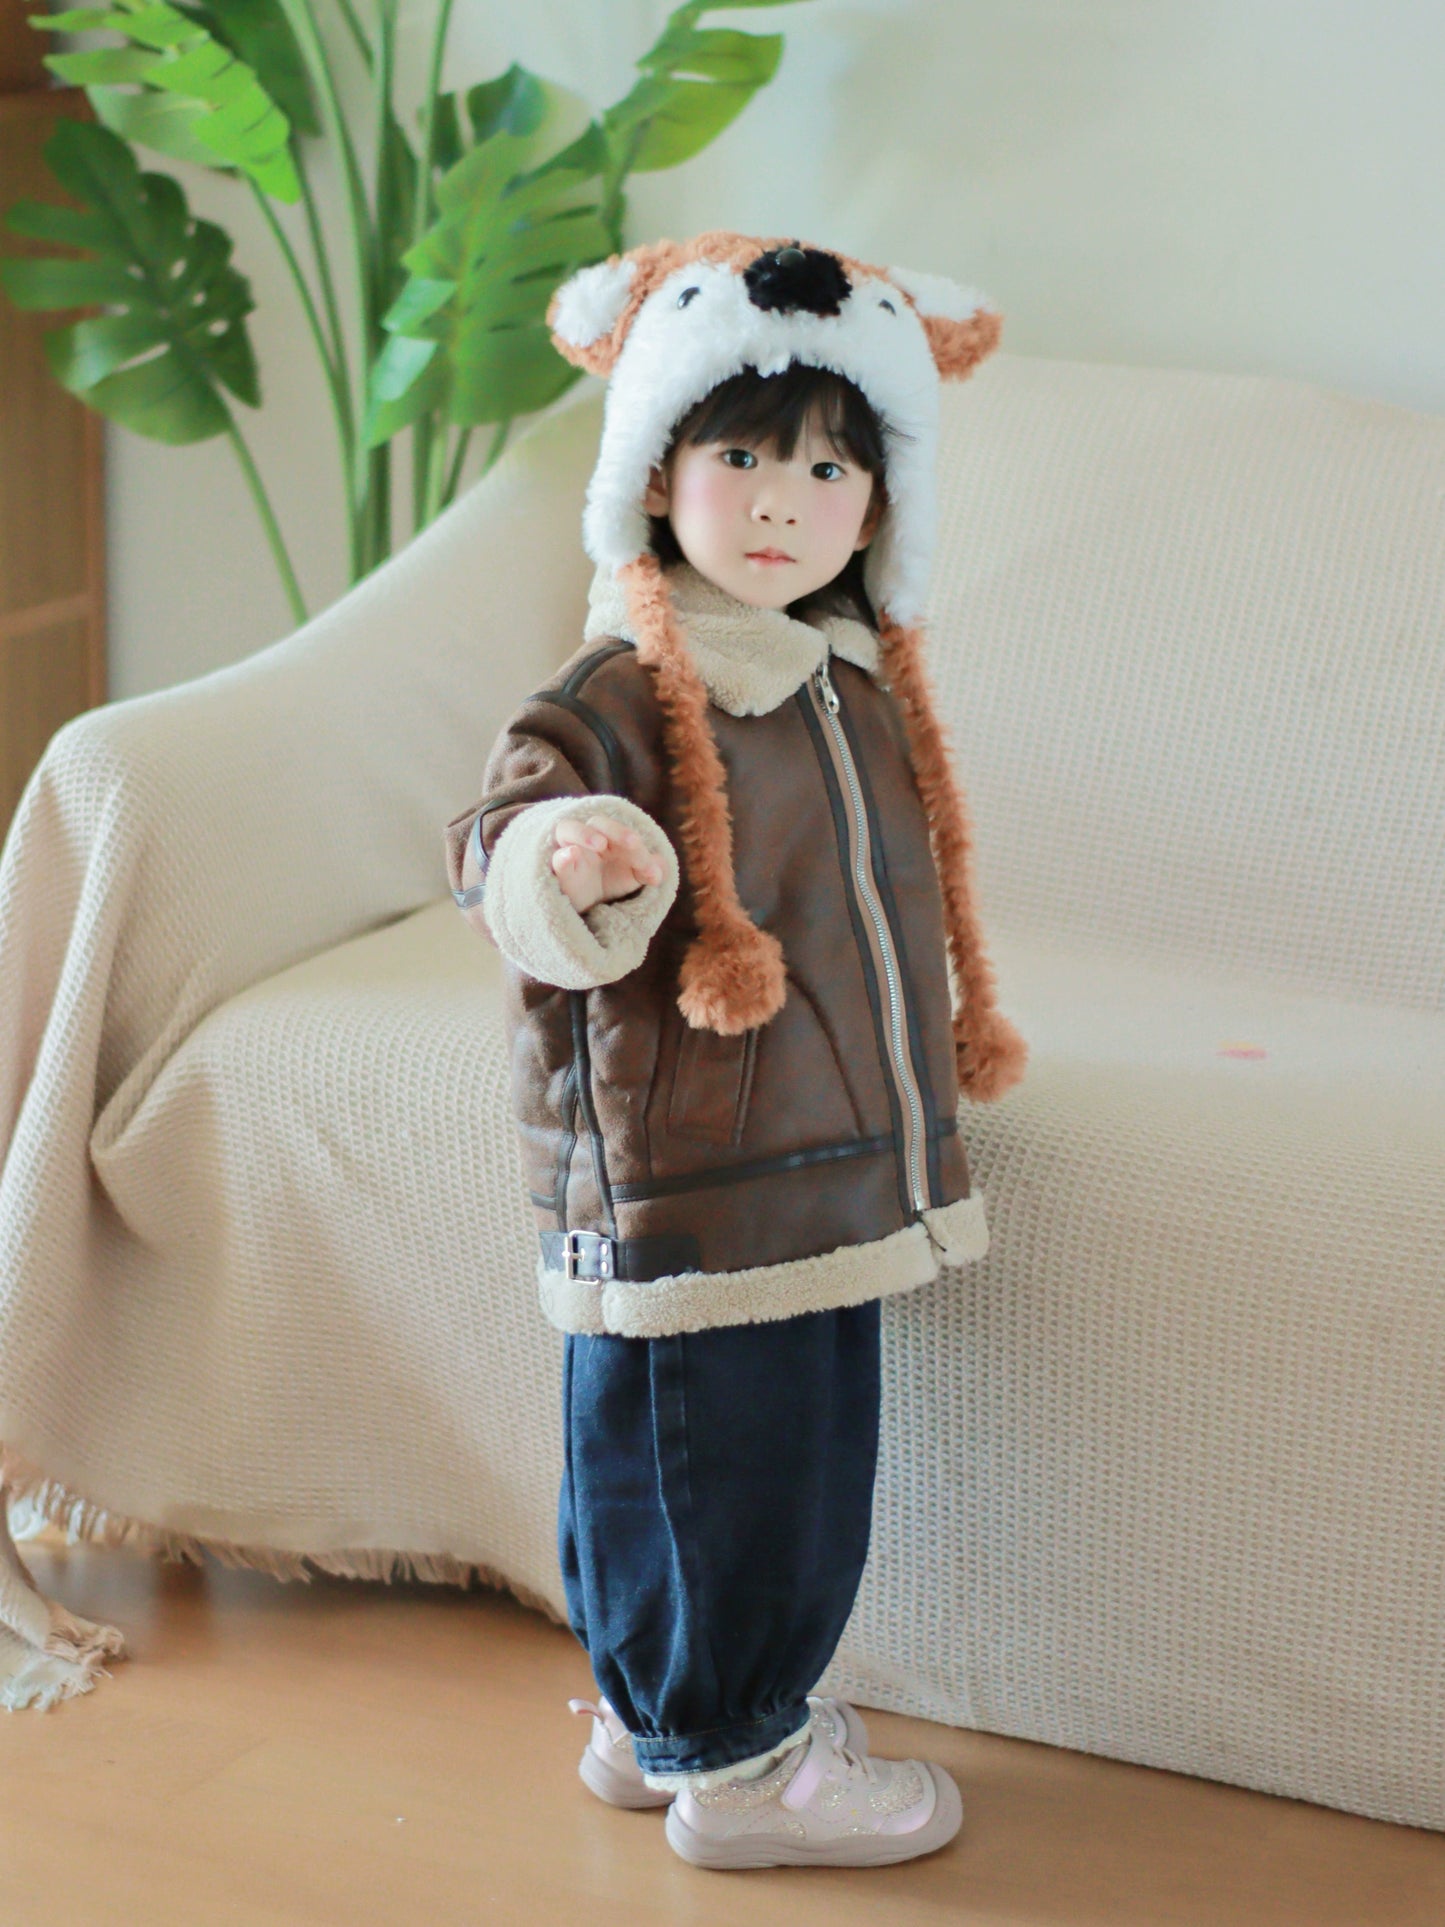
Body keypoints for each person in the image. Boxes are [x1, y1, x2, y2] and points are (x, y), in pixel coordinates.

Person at [444, 233, 1028, 1871]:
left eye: (834, 463)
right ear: (654, 474)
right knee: (727, 1465)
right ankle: (746, 1768)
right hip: (701, 1171)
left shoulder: (841, 678)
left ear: (879, 499)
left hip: (811, 1171)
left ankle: (662, 1720)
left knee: (716, 1451)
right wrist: (568, 865)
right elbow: (505, 826)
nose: (786, 497)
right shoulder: (625, 688)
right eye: (743, 453)